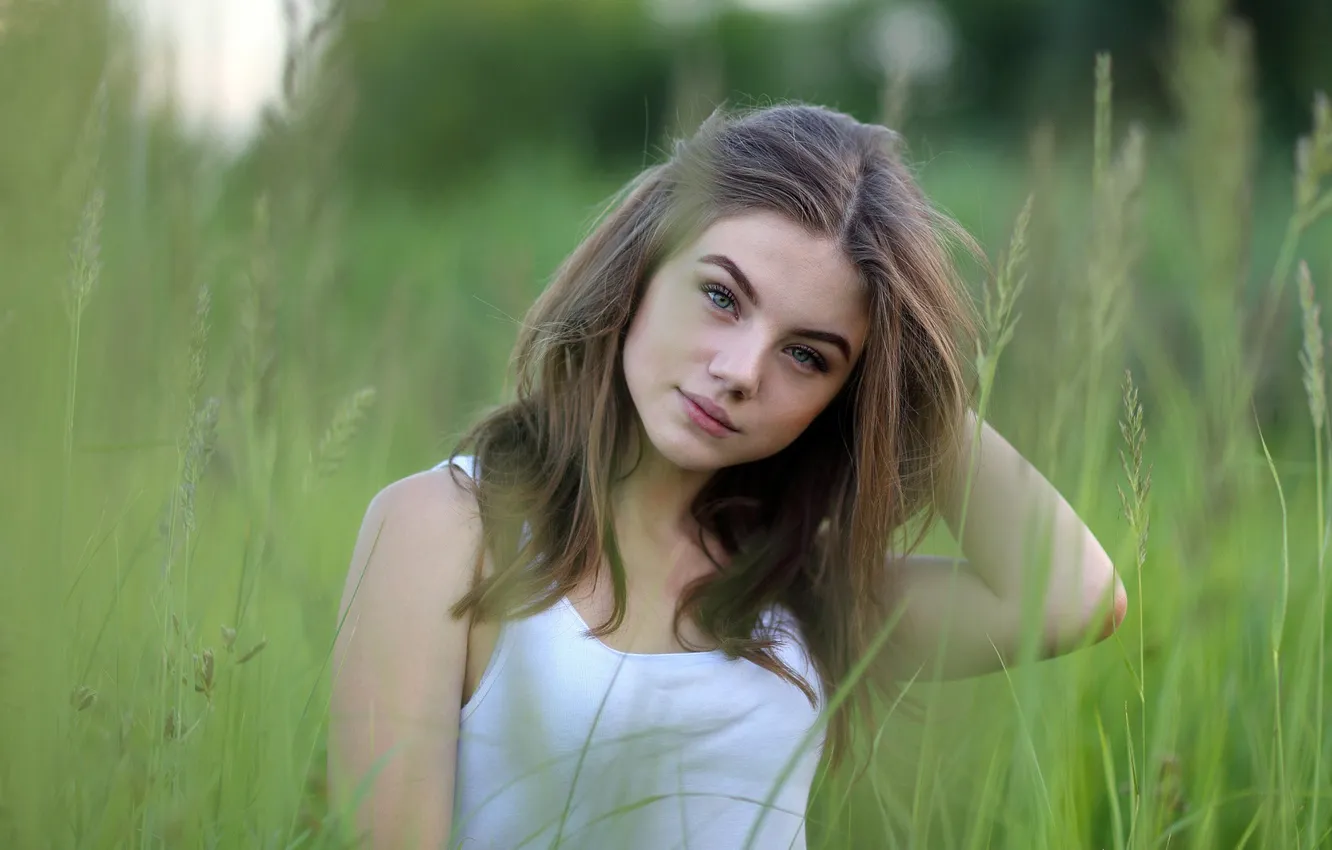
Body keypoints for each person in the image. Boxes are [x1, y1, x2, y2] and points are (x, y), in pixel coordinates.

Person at [327, 103, 1128, 849]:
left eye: (807, 355)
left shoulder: (805, 589)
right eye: (721, 296)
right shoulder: (446, 526)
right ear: (640, 269)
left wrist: (914, 382)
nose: (743, 371)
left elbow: (1074, 599)